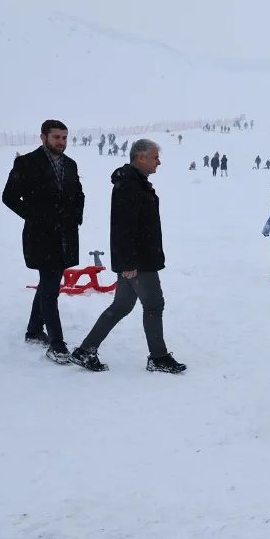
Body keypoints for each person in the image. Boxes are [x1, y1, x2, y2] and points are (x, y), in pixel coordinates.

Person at [69, 140, 185, 374]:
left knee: (121, 306)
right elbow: (124, 227)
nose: (159, 162)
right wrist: (128, 263)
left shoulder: (136, 182)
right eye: (155, 157)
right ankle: (158, 357)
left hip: (137, 258)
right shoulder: (130, 185)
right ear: (141, 157)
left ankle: (85, 350)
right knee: (153, 305)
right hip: (139, 261)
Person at [2, 119, 85, 363]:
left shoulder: (70, 164)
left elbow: (78, 193)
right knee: (50, 288)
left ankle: (34, 330)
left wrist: (77, 215)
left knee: (50, 283)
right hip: (40, 237)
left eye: (64, 137)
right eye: (56, 137)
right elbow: (9, 197)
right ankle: (57, 344)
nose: (61, 142)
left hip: (65, 236)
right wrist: (36, 217)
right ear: (43, 137)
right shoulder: (27, 163)